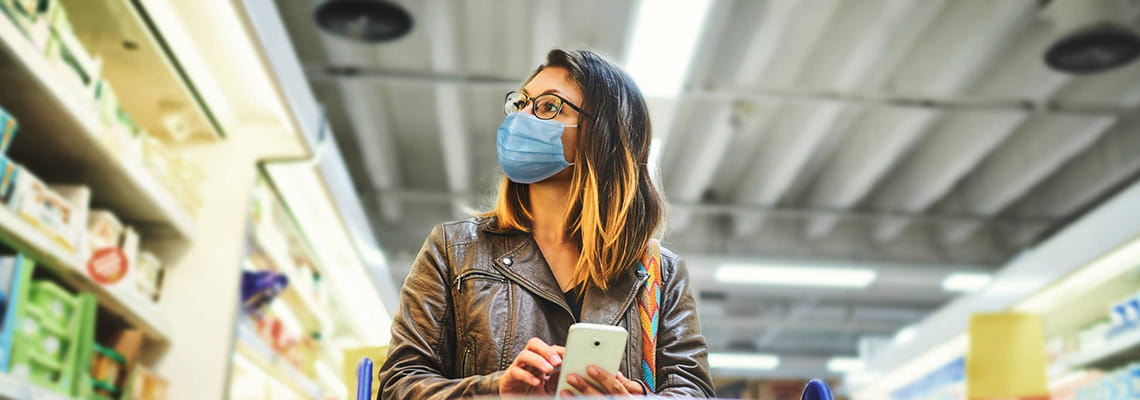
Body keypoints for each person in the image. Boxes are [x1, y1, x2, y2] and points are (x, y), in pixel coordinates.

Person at [377, 48, 714, 399]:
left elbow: (694, 392)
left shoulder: (659, 272)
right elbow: (398, 385)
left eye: (548, 107)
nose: (522, 118)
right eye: (521, 103)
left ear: (603, 135)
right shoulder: (454, 250)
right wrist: (496, 391)